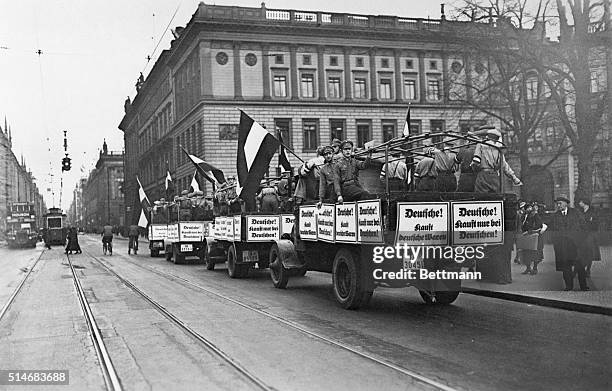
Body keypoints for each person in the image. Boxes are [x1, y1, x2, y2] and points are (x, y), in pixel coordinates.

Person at [550, 195, 589, 291]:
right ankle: (568, 286)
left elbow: (584, 226)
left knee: (580, 266)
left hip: (576, 245)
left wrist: (580, 240)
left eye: (560, 203)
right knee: (565, 267)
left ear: (566, 203)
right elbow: (553, 231)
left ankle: (583, 286)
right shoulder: (555, 216)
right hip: (563, 246)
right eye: (557, 204)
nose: (558, 205)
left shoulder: (576, 213)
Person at [471, 127, 522, 193]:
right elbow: (505, 166)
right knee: (495, 198)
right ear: (497, 138)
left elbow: (476, 162)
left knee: (481, 198)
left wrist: (474, 169)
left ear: (488, 136)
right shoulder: (499, 149)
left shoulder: (480, 145)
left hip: (483, 176)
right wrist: (514, 178)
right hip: (494, 177)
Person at [577, 199, 601, 277]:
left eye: (581, 202)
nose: (579, 203)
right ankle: (582, 269)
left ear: (585, 203)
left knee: (590, 253)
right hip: (581, 235)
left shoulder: (592, 212)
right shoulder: (580, 212)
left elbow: (595, 224)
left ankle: (588, 270)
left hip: (590, 235)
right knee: (581, 253)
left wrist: (588, 223)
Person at [519, 202, 544, 275]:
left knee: (534, 253)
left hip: (534, 236)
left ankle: (535, 268)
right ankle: (528, 268)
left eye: (529, 207)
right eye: (526, 208)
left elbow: (539, 225)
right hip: (526, 236)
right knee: (526, 252)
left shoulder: (535, 215)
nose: (527, 209)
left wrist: (530, 231)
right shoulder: (523, 216)